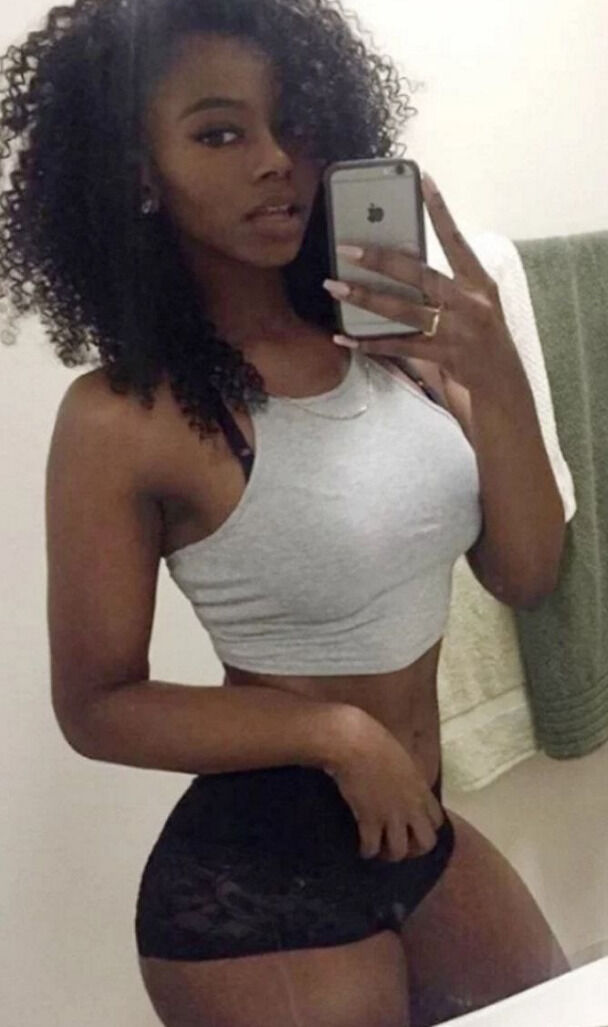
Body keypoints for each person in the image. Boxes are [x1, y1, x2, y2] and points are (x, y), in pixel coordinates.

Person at [0, 0, 571, 1024]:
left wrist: (497, 378)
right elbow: (96, 704)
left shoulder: (397, 356)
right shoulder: (125, 416)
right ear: (139, 172)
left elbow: (525, 574)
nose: (276, 162)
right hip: (256, 881)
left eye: (291, 124)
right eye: (220, 133)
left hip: (417, 828)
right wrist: (337, 733)